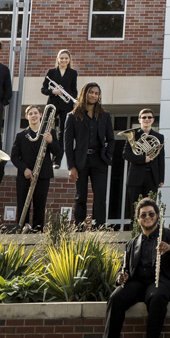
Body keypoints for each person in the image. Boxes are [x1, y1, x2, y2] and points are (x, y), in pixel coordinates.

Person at [93, 197, 170, 338]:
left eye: (151, 214)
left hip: (161, 281)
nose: (147, 217)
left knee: (157, 296)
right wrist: (121, 276)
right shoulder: (132, 243)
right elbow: (124, 269)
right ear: (138, 219)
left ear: (157, 216)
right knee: (116, 298)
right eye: (143, 215)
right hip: (138, 283)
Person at [64, 82, 113, 228]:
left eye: (96, 93)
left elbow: (111, 139)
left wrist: (107, 155)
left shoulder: (105, 115)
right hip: (81, 161)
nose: (94, 95)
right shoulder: (72, 116)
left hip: (99, 160)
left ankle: (99, 228)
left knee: (100, 196)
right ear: (84, 94)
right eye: (91, 92)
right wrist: (71, 166)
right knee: (81, 197)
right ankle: (79, 228)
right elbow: (67, 143)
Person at [10, 104, 55, 231]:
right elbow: (14, 156)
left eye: (36, 113)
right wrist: (24, 169)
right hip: (25, 176)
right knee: (23, 204)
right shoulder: (21, 136)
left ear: (41, 115)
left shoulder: (49, 132)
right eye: (31, 114)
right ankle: (22, 231)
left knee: (40, 205)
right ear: (26, 117)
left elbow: (58, 152)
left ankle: (38, 231)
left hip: (43, 175)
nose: (33, 116)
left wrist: (51, 141)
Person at [121, 108, 165, 222]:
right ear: (139, 119)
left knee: (151, 208)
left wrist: (161, 178)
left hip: (152, 176)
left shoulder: (159, 137)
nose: (147, 119)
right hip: (135, 177)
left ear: (153, 120)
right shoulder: (133, 134)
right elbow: (126, 155)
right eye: (144, 117)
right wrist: (143, 159)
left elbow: (161, 158)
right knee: (135, 207)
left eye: (149, 117)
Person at [40, 49, 79, 165]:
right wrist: (54, 91)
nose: (64, 60)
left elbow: (74, 91)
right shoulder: (51, 72)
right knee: (46, 128)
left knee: (63, 132)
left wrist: (70, 96)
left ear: (69, 60)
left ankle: (57, 159)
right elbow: (43, 89)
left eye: (66, 58)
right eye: (61, 58)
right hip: (52, 105)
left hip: (66, 106)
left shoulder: (73, 73)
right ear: (58, 59)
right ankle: (44, 153)